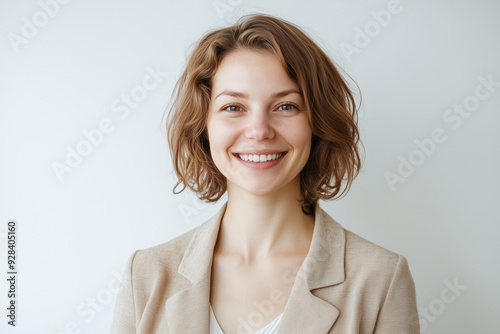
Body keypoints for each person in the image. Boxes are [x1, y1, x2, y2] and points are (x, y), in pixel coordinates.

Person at [110, 13, 420, 334]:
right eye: (233, 107)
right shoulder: (145, 276)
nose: (259, 131)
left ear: (318, 123)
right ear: (204, 126)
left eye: (285, 106)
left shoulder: (380, 279)